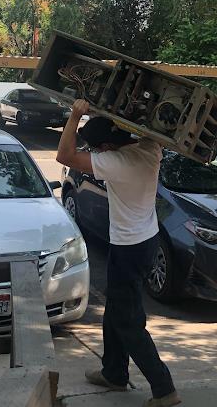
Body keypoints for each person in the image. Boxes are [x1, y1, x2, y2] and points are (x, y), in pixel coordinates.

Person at [56, 99, 180, 407]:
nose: (95, 154)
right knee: (115, 308)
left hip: (129, 247)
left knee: (128, 321)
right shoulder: (149, 148)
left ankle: (164, 389)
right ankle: (114, 372)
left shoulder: (117, 163)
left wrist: (75, 115)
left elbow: (64, 155)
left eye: (96, 149)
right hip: (145, 241)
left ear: (107, 146)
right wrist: (106, 110)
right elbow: (147, 126)